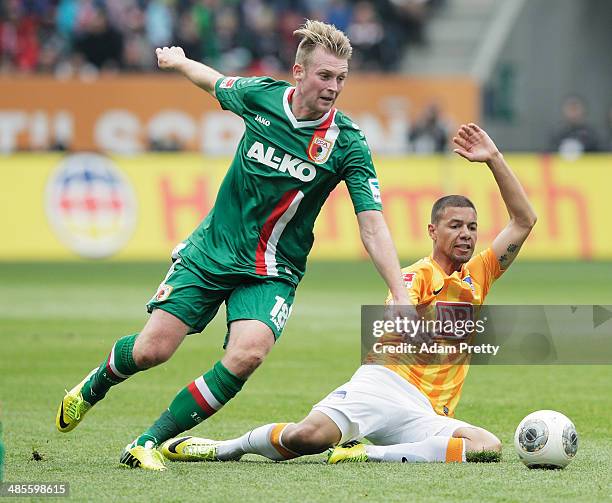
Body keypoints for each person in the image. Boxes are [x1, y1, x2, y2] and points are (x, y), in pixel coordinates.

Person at [55, 20, 412, 471]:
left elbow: (373, 225)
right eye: (325, 75)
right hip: (211, 252)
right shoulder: (259, 96)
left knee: (248, 354)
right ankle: (94, 386)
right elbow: (213, 83)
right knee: (152, 351)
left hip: (274, 268)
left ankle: (147, 441)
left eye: (341, 78)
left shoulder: (348, 144)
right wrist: (180, 61)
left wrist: (399, 293)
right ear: (298, 73)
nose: (334, 87)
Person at [159, 123, 537, 465]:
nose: (466, 234)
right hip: (385, 384)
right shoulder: (418, 275)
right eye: (455, 225)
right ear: (433, 232)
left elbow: (524, 220)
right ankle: (225, 447)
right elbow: (396, 311)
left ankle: (367, 454)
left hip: (429, 412)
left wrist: (494, 159)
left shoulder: (479, 275)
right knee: (306, 436)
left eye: (472, 226)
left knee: (485, 446)